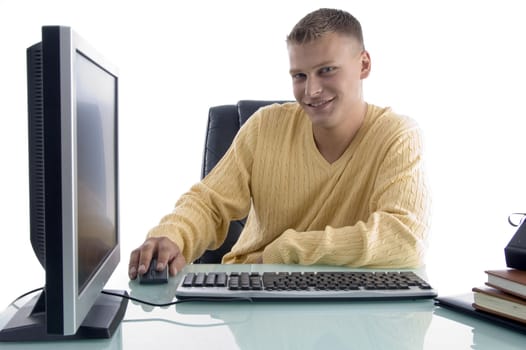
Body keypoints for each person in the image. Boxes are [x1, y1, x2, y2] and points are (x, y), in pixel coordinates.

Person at [128, 8, 431, 280]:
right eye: (300, 75)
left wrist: (286, 249)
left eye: (327, 70)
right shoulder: (265, 125)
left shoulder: (397, 135)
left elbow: (403, 239)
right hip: (254, 285)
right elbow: (209, 203)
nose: (311, 91)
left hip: (352, 299)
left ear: (363, 64)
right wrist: (171, 235)